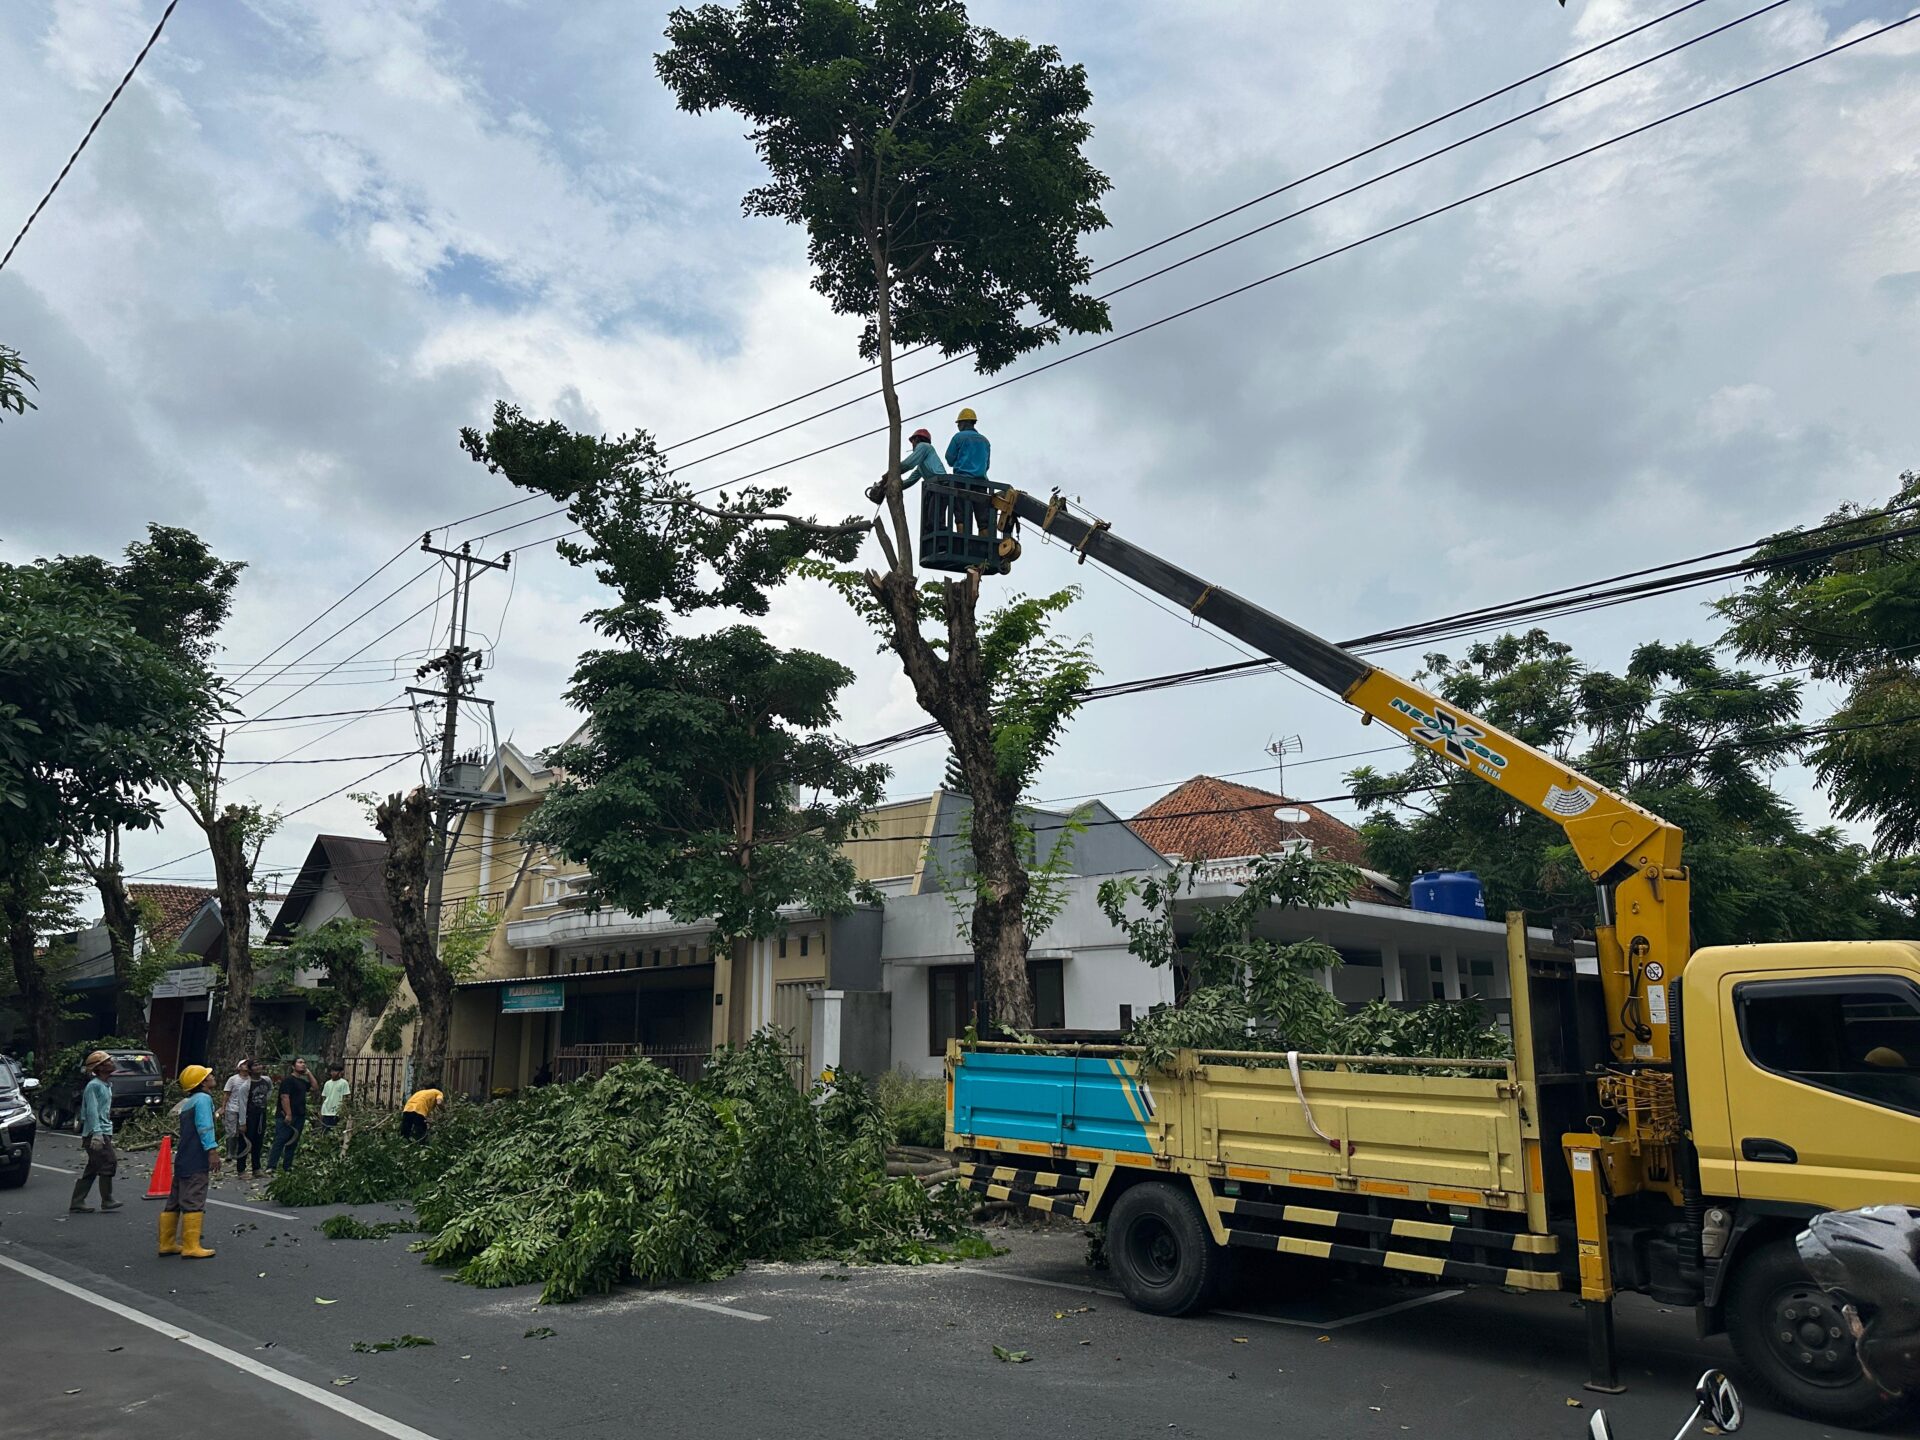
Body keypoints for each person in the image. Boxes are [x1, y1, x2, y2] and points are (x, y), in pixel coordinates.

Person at [157, 1063, 220, 1259]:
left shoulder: (189, 1101)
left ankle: (166, 1243)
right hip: (196, 1156)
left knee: (175, 1199)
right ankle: (191, 1246)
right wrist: (212, 1150)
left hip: (184, 1156)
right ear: (202, 1082)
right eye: (208, 1075)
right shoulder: (203, 1099)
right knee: (194, 1197)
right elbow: (204, 1126)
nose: (212, 1077)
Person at [69, 1051, 121, 1214]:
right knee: (109, 1162)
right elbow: (91, 1112)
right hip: (96, 1133)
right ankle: (107, 1199)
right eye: (108, 1061)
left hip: (104, 1130)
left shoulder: (106, 1085)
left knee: (93, 1167)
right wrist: (97, 1133)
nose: (112, 1063)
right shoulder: (94, 1086)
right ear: (99, 1068)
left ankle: (77, 1201)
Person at [866, 427, 947, 505]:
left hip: (942, 483)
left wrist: (890, 474)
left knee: (933, 514)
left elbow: (908, 464)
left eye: (912, 441)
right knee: (933, 516)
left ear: (917, 439)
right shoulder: (921, 467)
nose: (912, 445)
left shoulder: (924, 446)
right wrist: (888, 487)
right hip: (937, 486)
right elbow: (910, 481)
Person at [266, 1057, 312, 1172]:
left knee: (293, 1141)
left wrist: (309, 1074)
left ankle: (287, 1166)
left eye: (304, 1062)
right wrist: (288, 1114)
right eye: (300, 1062)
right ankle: (271, 1166)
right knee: (281, 1139)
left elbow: (315, 1088)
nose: (303, 1064)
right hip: (285, 1115)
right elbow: (284, 1097)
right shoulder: (288, 1080)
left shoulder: (302, 1082)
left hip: (300, 1115)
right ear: (293, 1066)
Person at [243, 1059, 271, 1176]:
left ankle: (256, 1168)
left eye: (260, 1064)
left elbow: (270, 1090)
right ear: (250, 1069)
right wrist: (242, 1122)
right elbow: (242, 1103)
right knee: (245, 1142)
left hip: (261, 1114)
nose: (259, 1067)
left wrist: (265, 1101)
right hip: (249, 1115)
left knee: (258, 1141)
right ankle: (241, 1168)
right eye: (255, 1065)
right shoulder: (246, 1085)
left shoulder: (266, 1080)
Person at [945, 408, 989, 478]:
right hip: (981, 484)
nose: (958, 425)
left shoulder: (958, 437)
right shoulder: (985, 441)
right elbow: (987, 465)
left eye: (959, 422)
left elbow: (949, 459)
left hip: (961, 480)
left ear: (966, 422)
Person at [221, 1059, 251, 1166]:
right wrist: (223, 1108)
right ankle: (229, 1153)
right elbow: (226, 1094)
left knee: (242, 1131)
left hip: (245, 1109)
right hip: (232, 1108)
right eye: (243, 1064)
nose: (246, 1066)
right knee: (231, 1131)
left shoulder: (251, 1080)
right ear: (239, 1067)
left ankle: (240, 1152)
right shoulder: (233, 1079)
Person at [319, 1061, 350, 1131]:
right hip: (326, 1111)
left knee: (336, 1130)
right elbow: (324, 1097)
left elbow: (346, 1097)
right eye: (333, 1071)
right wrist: (321, 1110)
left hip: (337, 1112)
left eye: (336, 1071)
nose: (334, 1073)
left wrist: (344, 1110)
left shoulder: (344, 1083)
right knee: (326, 1130)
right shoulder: (327, 1083)